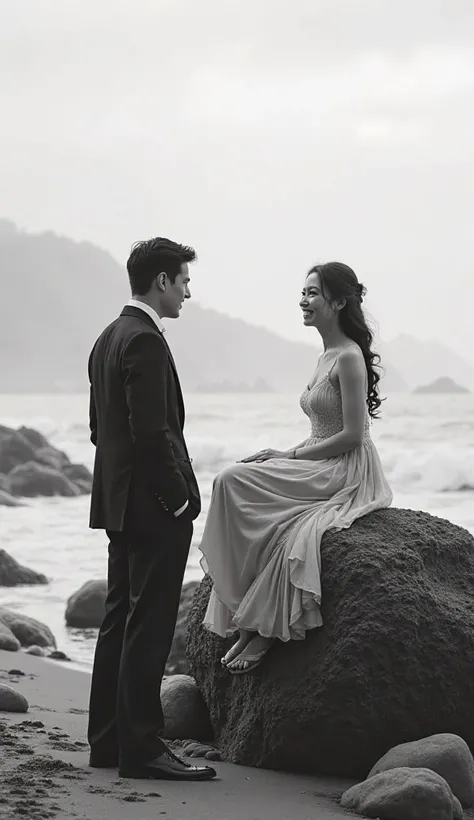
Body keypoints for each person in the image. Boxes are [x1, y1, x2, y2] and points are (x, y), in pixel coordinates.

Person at [199, 261, 393, 674]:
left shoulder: (349, 359)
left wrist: (288, 459)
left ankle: (265, 627)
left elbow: (353, 436)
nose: (303, 301)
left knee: (248, 493)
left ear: (338, 302)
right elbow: (321, 429)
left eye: (312, 293)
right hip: (318, 455)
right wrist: (281, 451)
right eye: (303, 293)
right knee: (230, 479)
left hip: (345, 468)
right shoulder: (324, 355)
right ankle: (248, 617)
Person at [87, 237, 216, 781]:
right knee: (150, 623)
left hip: (119, 504)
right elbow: (151, 433)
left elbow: (100, 430)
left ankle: (108, 741)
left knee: (118, 619)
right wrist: (180, 497)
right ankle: (141, 746)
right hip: (152, 507)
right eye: (183, 280)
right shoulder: (144, 341)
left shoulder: (106, 338)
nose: (188, 291)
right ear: (161, 281)